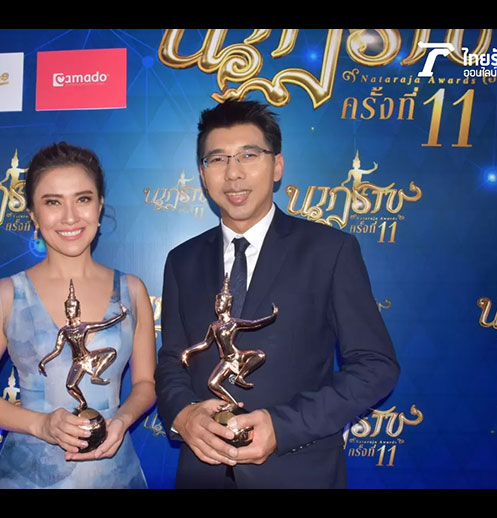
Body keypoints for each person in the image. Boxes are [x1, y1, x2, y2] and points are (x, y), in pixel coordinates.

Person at [155, 100, 400, 489]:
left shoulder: (330, 250)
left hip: (300, 472)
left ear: (277, 166)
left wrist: (283, 426)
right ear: (202, 175)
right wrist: (183, 415)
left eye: (249, 155)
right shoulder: (181, 260)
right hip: (202, 474)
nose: (233, 173)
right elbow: (173, 359)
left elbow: (375, 366)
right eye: (217, 159)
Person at [0, 142, 156, 489]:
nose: (70, 217)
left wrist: (122, 420)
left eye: (83, 199)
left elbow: (146, 384)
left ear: (100, 206)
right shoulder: (7, 295)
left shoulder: (132, 291)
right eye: (52, 202)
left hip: (114, 474)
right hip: (26, 477)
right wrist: (41, 424)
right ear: (33, 215)